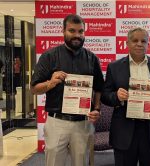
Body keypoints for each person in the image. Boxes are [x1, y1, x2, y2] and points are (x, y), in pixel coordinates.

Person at [31, 14, 104, 166]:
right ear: (63, 31)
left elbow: (98, 88)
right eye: (72, 31)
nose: (77, 35)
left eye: (81, 31)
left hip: (83, 122)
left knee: (81, 163)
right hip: (57, 121)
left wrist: (96, 108)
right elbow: (34, 89)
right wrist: (50, 83)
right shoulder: (49, 56)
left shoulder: (92, 58)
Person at [101, 27, 150, 166]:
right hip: (124, 130)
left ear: (148, 44)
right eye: (135, 40)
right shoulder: (114, 67)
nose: (139, 44)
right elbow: (105, 95)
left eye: (143, 41)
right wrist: (116, 96)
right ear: (127, 43)